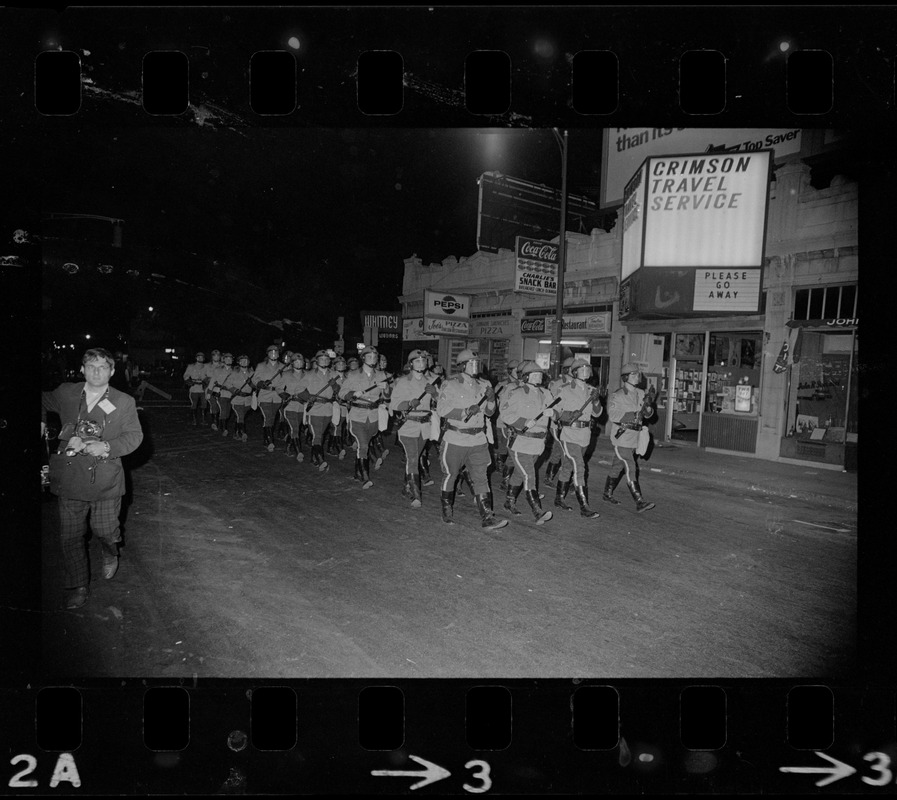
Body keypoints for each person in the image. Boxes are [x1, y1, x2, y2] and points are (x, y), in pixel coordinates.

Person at [41, 347, 144, 610]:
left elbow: (134, 436)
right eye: (91, 366)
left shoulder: (123, 401)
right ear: (82, 369)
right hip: (70, 477)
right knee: (71, 536)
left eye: (102, 367)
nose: (96, 372)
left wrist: (108, 447)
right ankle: (78, 585)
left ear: (111, 371)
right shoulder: (66, 392)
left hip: (105, 479)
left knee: (104, 531)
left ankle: (111, 552)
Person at [435, 349, 507, 530]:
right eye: (471, 363)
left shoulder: (485, 384)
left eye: (477, 363)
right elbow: (442, 410)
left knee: (481, 477)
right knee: (451, 474)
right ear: (462, 366)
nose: (475, 366)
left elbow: (490, 412)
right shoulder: (450, 384)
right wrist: (465, 411)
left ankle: (487, 517)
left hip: (478, 439)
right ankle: (446, 510)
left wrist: (491, 400)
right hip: (456, 437)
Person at [498, 360, 555, 525]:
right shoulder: (516, 392)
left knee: (519, 474)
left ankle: (509, 502)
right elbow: (506, 414)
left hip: (538, 443)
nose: (539, 377)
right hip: (520, 442)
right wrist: (523, 422)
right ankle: (537, 511)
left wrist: (555, 413)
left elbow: (558, 411)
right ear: (526, 376)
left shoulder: (546, 394)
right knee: (529, 475)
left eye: (540, 375)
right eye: (535, 374)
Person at [551, 357, 603, 518]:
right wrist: (568, 414)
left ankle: (559, 498)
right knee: (579, 466)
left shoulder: (591, 390)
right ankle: (584, 506)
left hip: (585, 435)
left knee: (567, 466)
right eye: (582, 368)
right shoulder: (564, 389)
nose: (587, 371)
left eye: (588, 368)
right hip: (569, 433)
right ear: (574, 372)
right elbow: (555, 412)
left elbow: (598, 413)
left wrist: (595, 402)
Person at [389, 349, 439, 509]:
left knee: (415, 458)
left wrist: (436, 395)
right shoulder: (402, 381)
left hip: (425, 426)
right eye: (417, 361)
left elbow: (442, 404)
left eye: (423, 360)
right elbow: (394, 404)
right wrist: (409, 404)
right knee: (412, 458)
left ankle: (406, 487)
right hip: (408, 425)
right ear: (411, 364)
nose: (421, 363)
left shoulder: (431, 382)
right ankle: (416, 495)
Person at [605, 363, 656, 512]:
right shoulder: (618, 395)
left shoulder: (641, 393)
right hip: (622, 437)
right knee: (630, 466)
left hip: (636, 437)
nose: (637, 377)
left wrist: (648, 407)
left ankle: (607, 493)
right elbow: (613, 415)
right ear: (626, 377)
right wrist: (634, 414)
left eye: (637, 374)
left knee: (618, 465)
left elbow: (649, 415)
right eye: (633, 374)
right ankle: (639, 501)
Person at [339, 345, 391, 489]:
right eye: (369, 356)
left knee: (365, 446)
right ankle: (365, 477)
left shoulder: (382, 375)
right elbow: (342, 393)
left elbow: (387, 397)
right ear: (363, 358)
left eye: (375, 357)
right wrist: (353, 394)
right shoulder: (353, 375)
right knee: (363, 446)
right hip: (357, 415)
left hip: (373, 416)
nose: (373, 359)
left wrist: (385, 389)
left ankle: (357, 472)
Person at [296, 350, 340, 471]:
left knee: (320, 435)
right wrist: (308, 397)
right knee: (317, 435)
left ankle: (313, 458)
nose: (324, 361)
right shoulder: (310, 374)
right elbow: (299, 390)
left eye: (327, 359)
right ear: (317, 361)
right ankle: (321, 459)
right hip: (314, 409)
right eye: (321, 359)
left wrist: (334, 385)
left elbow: (340, 391)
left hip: (328, 409)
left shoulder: (334, 374)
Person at [543, 355, 575, 487]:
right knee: (565, 451)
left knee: (557, 450)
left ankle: (549, 477)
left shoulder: (577, 384)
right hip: (557, 424)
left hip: (570, 423)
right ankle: (566, 480)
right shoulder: (558, 384)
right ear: (568, 370)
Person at [251, 345, 288, 452]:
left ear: (278, 354)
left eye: (275, 352)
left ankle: (266, 438)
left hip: (277, 396)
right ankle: (270, 440)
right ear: (267, 354)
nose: (273, 354)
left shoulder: (283, 366)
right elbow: (255, 379)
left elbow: (287, 380)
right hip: (264, 395)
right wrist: (261, 383)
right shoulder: (261, 365)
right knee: (268, 417)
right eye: (271, 352)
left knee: (272, 418)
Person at [273, 353, 309, 461]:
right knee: (294, 428)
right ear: (292, 363)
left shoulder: (308, 375)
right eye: (296, 362)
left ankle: (288, 447)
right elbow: (278, 388)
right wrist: (285, 395)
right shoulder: (286, 374)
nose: (299, 364)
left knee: (294, 429)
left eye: (300, 361)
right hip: (290, 405)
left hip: (303, 406)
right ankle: (299, 452)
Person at [494, 359, 522, 491]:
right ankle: (505, 478)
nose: (520, 373)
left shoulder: (523, 385)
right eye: (518, 371)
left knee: (513, 452)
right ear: (510, 371)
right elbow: (501, 407)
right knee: (508, 451)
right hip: (505, 424)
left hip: (519, 424)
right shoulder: (504, 386)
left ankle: (508, 478)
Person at [224, 354, 254, 442]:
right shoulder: (234, 372)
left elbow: (256, 385)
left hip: (248, 399)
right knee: (240, 415)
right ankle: (242, 432)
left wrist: (251, 383)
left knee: (240, 417)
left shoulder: (252, 373)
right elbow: (227, 384)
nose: (244, 362)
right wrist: (235, 390)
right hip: (237, 398)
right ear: (238, 362)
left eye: (246, 360)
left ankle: (236, 432)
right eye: (242, 361)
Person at [204, 349, 229, 431]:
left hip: (220, 388)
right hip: (210, 387)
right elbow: (202, 375)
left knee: (222, 406)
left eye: (218, 355)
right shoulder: (207, 366)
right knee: (213, 404)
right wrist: (206, 379)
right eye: (214, 355)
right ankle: (214, 422)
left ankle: (221, 421)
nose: (216, 357)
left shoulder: (223, 365)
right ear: (212, 357)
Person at [183, 351, 208, 426]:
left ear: (204, 358)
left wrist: (207, 380)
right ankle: (194, 419)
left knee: (204, 404)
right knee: (194, 404)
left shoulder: (206, 367)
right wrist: (189, 381)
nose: (200, 358)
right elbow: (186, 375)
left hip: (203, 388)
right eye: (198, 357)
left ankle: (203, 419)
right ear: (196, 358)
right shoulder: (191, 366)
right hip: (194, 387)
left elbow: (210, 375)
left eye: (201, 357)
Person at [214, 353, 236, 436]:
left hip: (231, 394)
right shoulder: (218, 370)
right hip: (221, 393)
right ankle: (224, 428)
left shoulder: (235, 370)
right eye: (227, 359)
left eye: (230, 359)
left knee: (228, 412)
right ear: (223, 359)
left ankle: (221, 424)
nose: (229, 360)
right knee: (223, 410)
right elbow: (214, 380)